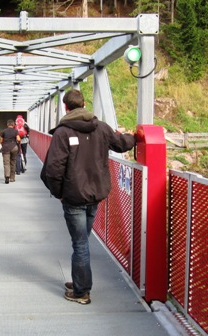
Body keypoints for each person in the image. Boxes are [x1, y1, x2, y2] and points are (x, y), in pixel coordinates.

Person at [40, 89, 136, 304]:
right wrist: (134, 136)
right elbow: (121, 145)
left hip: (73, 197)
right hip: (96, 194)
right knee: (82, 241)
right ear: (84, 103)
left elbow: (53, 169)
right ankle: (80, 280)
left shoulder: (62, 133)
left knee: (80, 243)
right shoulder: (101, 128)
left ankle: (82, 291)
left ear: (66, 107)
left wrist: (59, 194)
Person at [0, 119, 21, 183]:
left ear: (7, 124)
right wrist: (18, 144)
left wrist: (3, 145)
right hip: (14, 147)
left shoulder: (3, 131)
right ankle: (12, 178)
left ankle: (7, 177)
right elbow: (18, 139)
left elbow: (1, 141)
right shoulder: (15, 131)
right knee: (13, 162)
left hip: (6, 147)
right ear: (13, 125)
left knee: (6, 163)